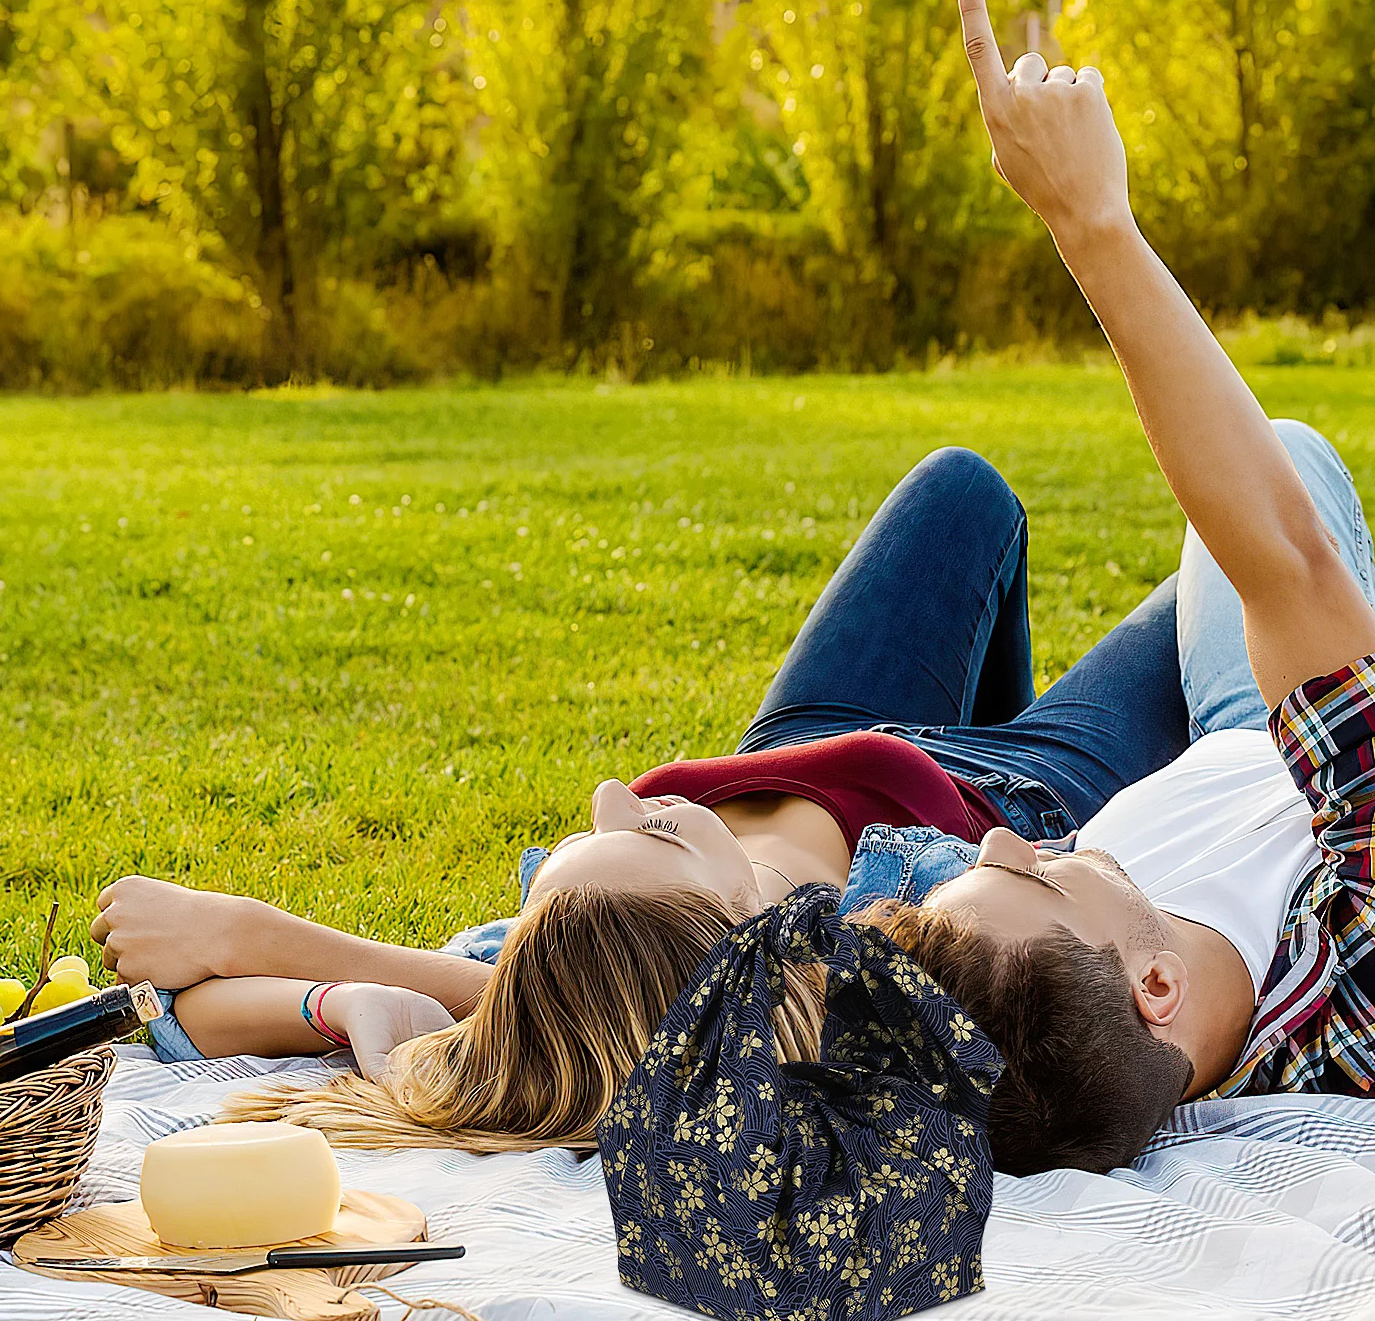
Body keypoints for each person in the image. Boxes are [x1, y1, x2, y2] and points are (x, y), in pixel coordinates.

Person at [91, 421, 1196, 1146]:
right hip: (1010, 803)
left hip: (807, 739)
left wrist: (330, 992)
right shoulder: (870, 980)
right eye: (663, 835)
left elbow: (191, 1020)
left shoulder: (575, 952)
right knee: (1219, 566)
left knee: (964, 488)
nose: (618, 791)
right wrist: (267, 928)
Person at [845, 0, 1375, 1177]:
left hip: (1242, 742)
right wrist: (1088, 220)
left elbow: (656, 972)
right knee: (1282, 489)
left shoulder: (1069, 979)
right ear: (1156, 987)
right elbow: (1289, 559)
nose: (994, 849)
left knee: (1285, 463)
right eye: (1032, 881)